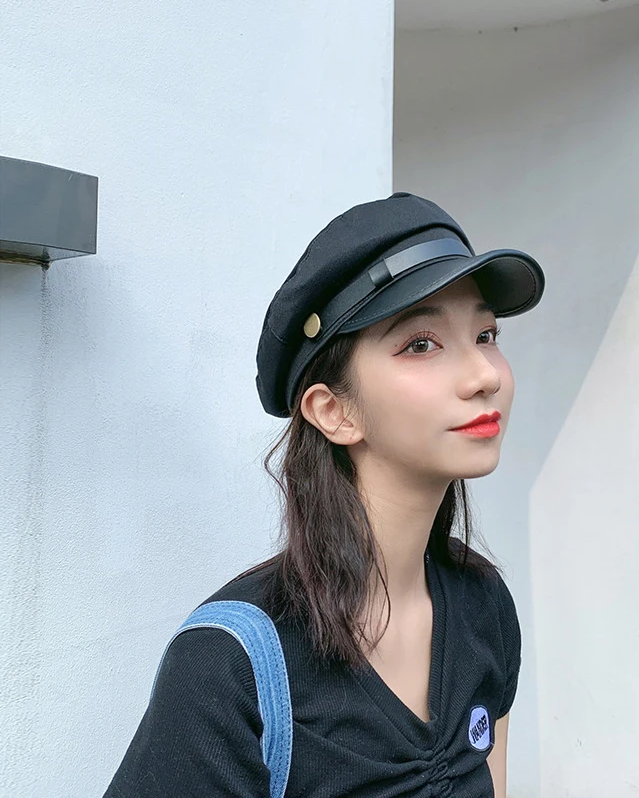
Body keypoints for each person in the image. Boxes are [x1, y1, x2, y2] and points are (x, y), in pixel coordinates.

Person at [103, 191, 545, 797]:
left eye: (486, 334)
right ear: (333, 411)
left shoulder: (482, 605)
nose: (485, 375)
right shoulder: (232, 666)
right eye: (421, 343)